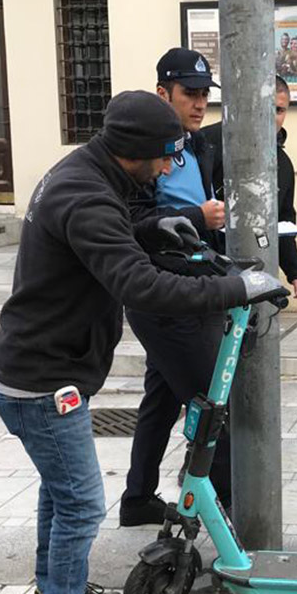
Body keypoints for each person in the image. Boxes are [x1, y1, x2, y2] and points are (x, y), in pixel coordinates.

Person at [0, 90, 286, 594]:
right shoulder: (87, 195)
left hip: (39, 366)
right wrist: (238, 287)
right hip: (44, 379)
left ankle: (56, 593)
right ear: (134, 151)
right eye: (166, 155)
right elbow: (142, 287)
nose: (172, 165)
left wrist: (153, 229)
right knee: (78, 502)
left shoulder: (86, 173)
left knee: (59, 493)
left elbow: (107, 237)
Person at [116, 47, 233, 527]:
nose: (200, 103)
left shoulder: (199, 145)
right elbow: (134, 222)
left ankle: (138, 498)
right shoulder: (145, 152)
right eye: (190, 93)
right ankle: (233, 519)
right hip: (163, 293)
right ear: (163, 93)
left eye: (205, 94)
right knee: (212, 407)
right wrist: (194, 216)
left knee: (161, 397)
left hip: (193, 280)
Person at [202, 75, 297, 299]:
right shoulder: (206, 142)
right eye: (265, 107)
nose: (272, 117)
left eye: (279, 110)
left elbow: (283, 222)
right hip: (206, 275)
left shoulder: (283, 164)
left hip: (255, 275)